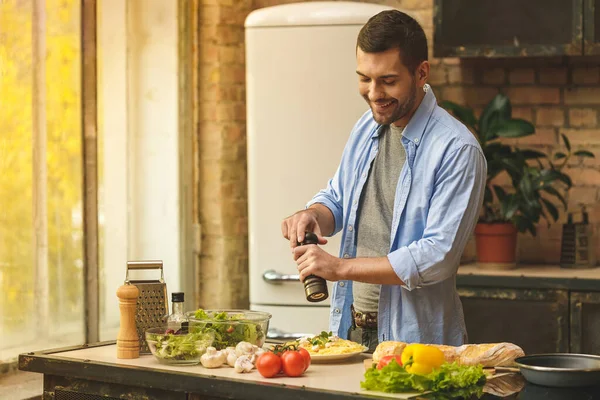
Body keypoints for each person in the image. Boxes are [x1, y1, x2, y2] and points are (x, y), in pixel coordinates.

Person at [281, 10, 486, 352]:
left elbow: (437, 256)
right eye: (365, 78)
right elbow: (338, 199)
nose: (374, 93)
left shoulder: (457, 149)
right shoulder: (367, 126)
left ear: (421, 73)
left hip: (418, 345)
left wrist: (339, 267)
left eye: (388, 80)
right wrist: (314, 214)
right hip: (352, 331)